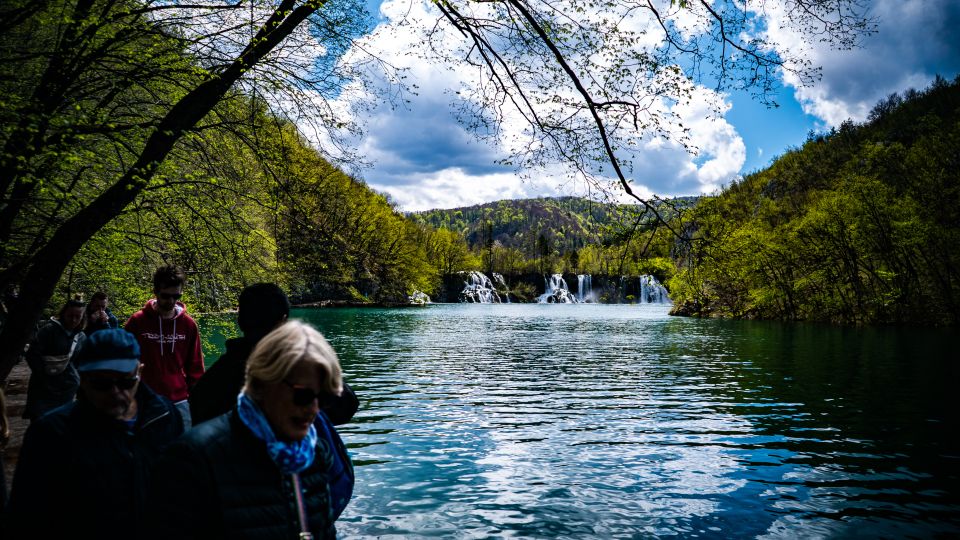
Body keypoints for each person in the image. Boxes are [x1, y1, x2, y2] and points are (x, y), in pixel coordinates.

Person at [146, 321, 354, 539]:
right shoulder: (193, 458)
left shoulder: (314, 453)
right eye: (303, 396)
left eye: (324, 397)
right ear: (263, 383)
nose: (314, 410)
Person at [3, 329, 184, 539]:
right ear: (83, 379)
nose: (115, 392)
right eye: (102, 383)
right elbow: (25, 516)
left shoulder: (165, 415)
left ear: (140, 373)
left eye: (125, 381)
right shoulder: (51, 434)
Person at [190, 282, 358, 426]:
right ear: (282, 322)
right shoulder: (298, 374)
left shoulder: (209, 383)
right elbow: (346, 406)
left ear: (240, 322)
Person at [124, 264, 203, 429]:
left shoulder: (188, 325)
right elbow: (125, 360)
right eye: (166, 296)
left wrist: (197, 397)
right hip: (145, 399)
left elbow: (195, 366)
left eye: (177, 296)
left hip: (180, 399)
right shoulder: (137, 322)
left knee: (183, 449)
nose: (172, 301)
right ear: (155, 291)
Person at [22, 298, 86, 420]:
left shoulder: (82, 337)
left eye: (77, 317)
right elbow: (32, 355)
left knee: (60, 421)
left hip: (67, 388)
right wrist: (44, 376)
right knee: (39, 421)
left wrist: (75, 379)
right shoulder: (48, 330)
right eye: (70, 315)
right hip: (43, 387)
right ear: (63, 313)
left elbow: (80, 362)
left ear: (83, 317)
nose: (73, 320)